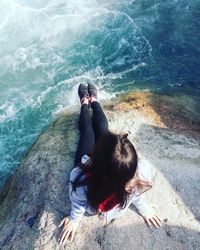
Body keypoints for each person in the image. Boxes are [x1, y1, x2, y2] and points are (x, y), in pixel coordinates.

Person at [59, 83, 162, 243]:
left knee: (88, 131)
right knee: (100, 128)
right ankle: (92, 100)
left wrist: (74, 220)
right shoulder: (138, 173)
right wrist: (145, 209)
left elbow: (78, 202)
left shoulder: (81, 178)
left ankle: (86, 102)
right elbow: (136, 192)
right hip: (103, 165)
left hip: (94, 162)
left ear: (96, 157)